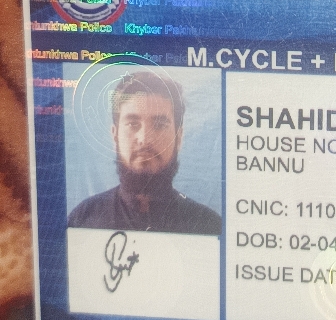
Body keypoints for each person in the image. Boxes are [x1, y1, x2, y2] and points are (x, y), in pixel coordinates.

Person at [68, 69, 221, 234]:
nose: (145, 139)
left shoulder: (208, 226)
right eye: (132, 124)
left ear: (179, 138)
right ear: (115, 135)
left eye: (159, 125)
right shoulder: (83, 219)